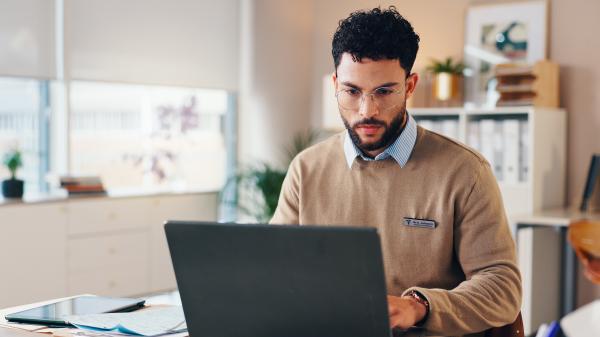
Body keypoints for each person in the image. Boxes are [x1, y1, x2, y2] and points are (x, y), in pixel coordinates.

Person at [270, 6, 522, 336]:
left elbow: (502, 287)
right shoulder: (306, 169)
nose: (367, 110)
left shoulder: (465, 172)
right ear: (335, 84)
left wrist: (419, 306)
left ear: (411, 85)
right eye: (352, 91)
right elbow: (274, 271)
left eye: (384, 91)